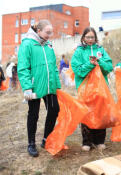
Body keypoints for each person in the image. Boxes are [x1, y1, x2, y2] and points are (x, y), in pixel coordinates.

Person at [17, 19, 61, 157]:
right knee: (34, 114)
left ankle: (46, 139)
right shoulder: (27, 44)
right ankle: (31, 144)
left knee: (54, 110)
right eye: (47, 32)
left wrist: (57, 85)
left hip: (49, 85)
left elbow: (53, 66)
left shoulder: (49, 45)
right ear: (39, 31)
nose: (50, 35)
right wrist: (27, 88)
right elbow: (23, 67)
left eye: (51, 32)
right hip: (34, 86)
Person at [71, 27, 113, 152]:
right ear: (83, 38)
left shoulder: (101, 50)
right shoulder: (79, 52)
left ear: (96, 38)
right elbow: (78, 70)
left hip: (101, 88)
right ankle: (87, 142)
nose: (90, 39)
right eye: (88, 37)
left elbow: (109, 67)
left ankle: (99, 141)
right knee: (86, 114)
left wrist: (99, 62)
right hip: (85, 89)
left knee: (101, 113)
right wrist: (90, 64)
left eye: (92, 37)